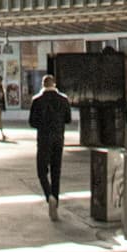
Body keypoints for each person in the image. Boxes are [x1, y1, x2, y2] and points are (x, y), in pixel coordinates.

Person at [28, 74, 72, 222]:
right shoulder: (63, 99)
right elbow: (68, 119)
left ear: (43, 85)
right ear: (54, 84)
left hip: (44, 140)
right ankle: (56, 205)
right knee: (56, 172)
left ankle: (49, 196)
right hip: (59, 140)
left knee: (41, 171)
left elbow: (32, 122)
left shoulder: (37, 100)